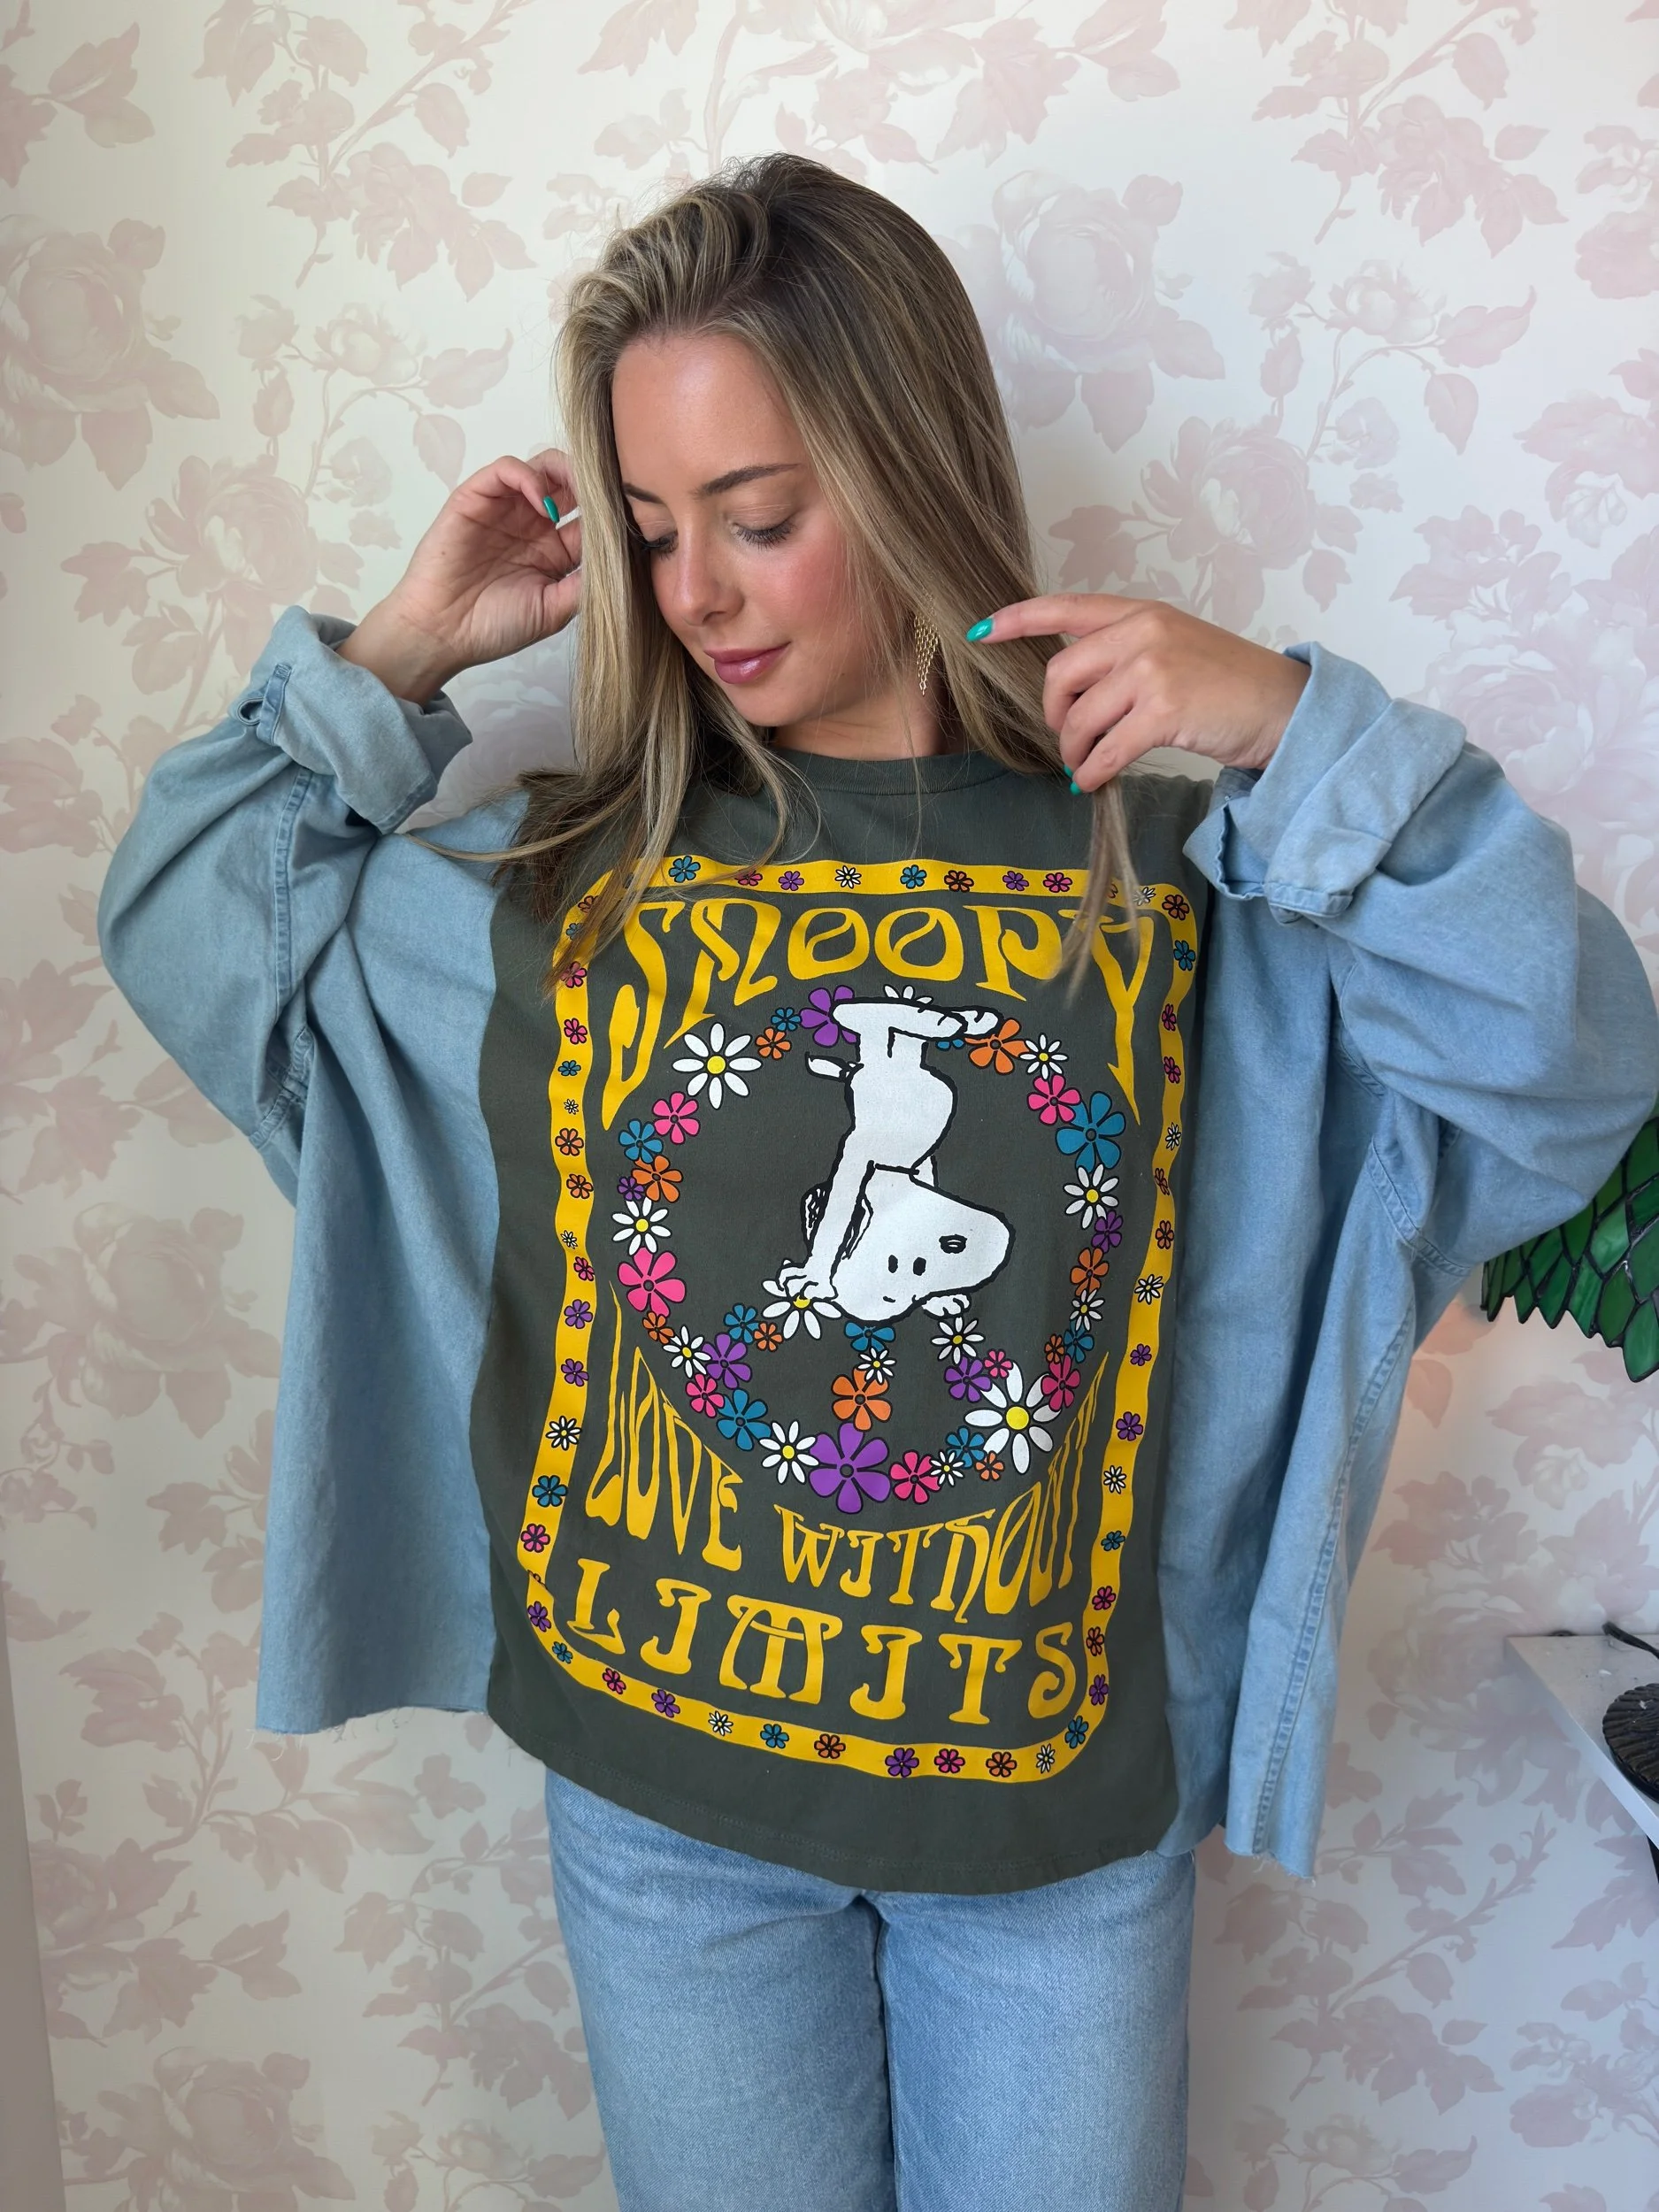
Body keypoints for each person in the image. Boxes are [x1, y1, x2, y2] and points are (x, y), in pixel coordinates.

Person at [97, 154, 1659, 2212]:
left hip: (1056, 1836)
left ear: (908, 471)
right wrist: (395, 657)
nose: (698, 593)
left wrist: (1300, 737)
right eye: (653, 526)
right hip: (661, 1812)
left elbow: (1565, 1064)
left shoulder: (1178, 891)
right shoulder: (547, 888)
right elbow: (194, 916)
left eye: (757, 515)